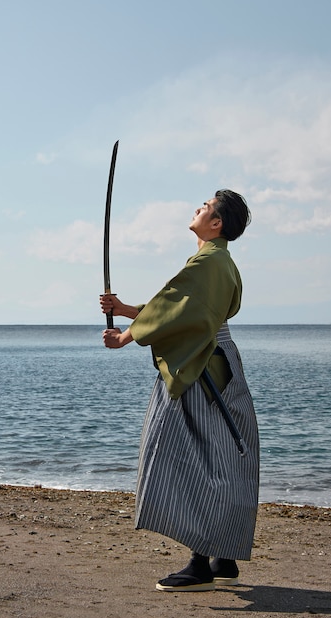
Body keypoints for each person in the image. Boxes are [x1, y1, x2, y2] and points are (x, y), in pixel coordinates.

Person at [100, 189, 259, 592]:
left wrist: (126, 337)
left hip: (201, 367)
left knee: (190, 457)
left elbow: (180, 312)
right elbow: (178, 309)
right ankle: (223, 555)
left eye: (205, 207)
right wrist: (126, 311)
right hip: (221, 365)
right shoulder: (220, 262)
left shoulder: (209, 262)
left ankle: (200, 562)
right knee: (224, 455)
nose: (198, 209)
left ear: (217, 223)